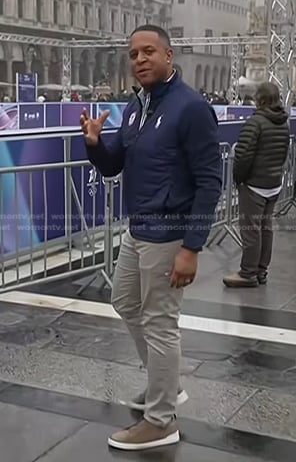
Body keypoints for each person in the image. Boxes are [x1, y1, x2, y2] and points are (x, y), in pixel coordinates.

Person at [81, 24, 222, 451]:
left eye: (148, 52)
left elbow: (210, 181)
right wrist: (94, 144)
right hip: (139, 228)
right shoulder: (136, 106)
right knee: (124, 301)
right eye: (133, 54)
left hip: (169, 232)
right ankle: (167, 383)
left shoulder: (191, 107)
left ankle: (161, 419)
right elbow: (112, 167)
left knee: (160, 324)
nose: (140, 60)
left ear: (168, 55)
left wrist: (191, 247)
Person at [223, 82, 290, 288]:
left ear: (259, 99)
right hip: (273, 184)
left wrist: (239, 179)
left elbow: (243, 155)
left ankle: (248, 273)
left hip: (254, 185)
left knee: (251, 229)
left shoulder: (256, 122)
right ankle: (261, 270)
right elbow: (283, 153)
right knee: (265, 228)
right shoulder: (283, 122)